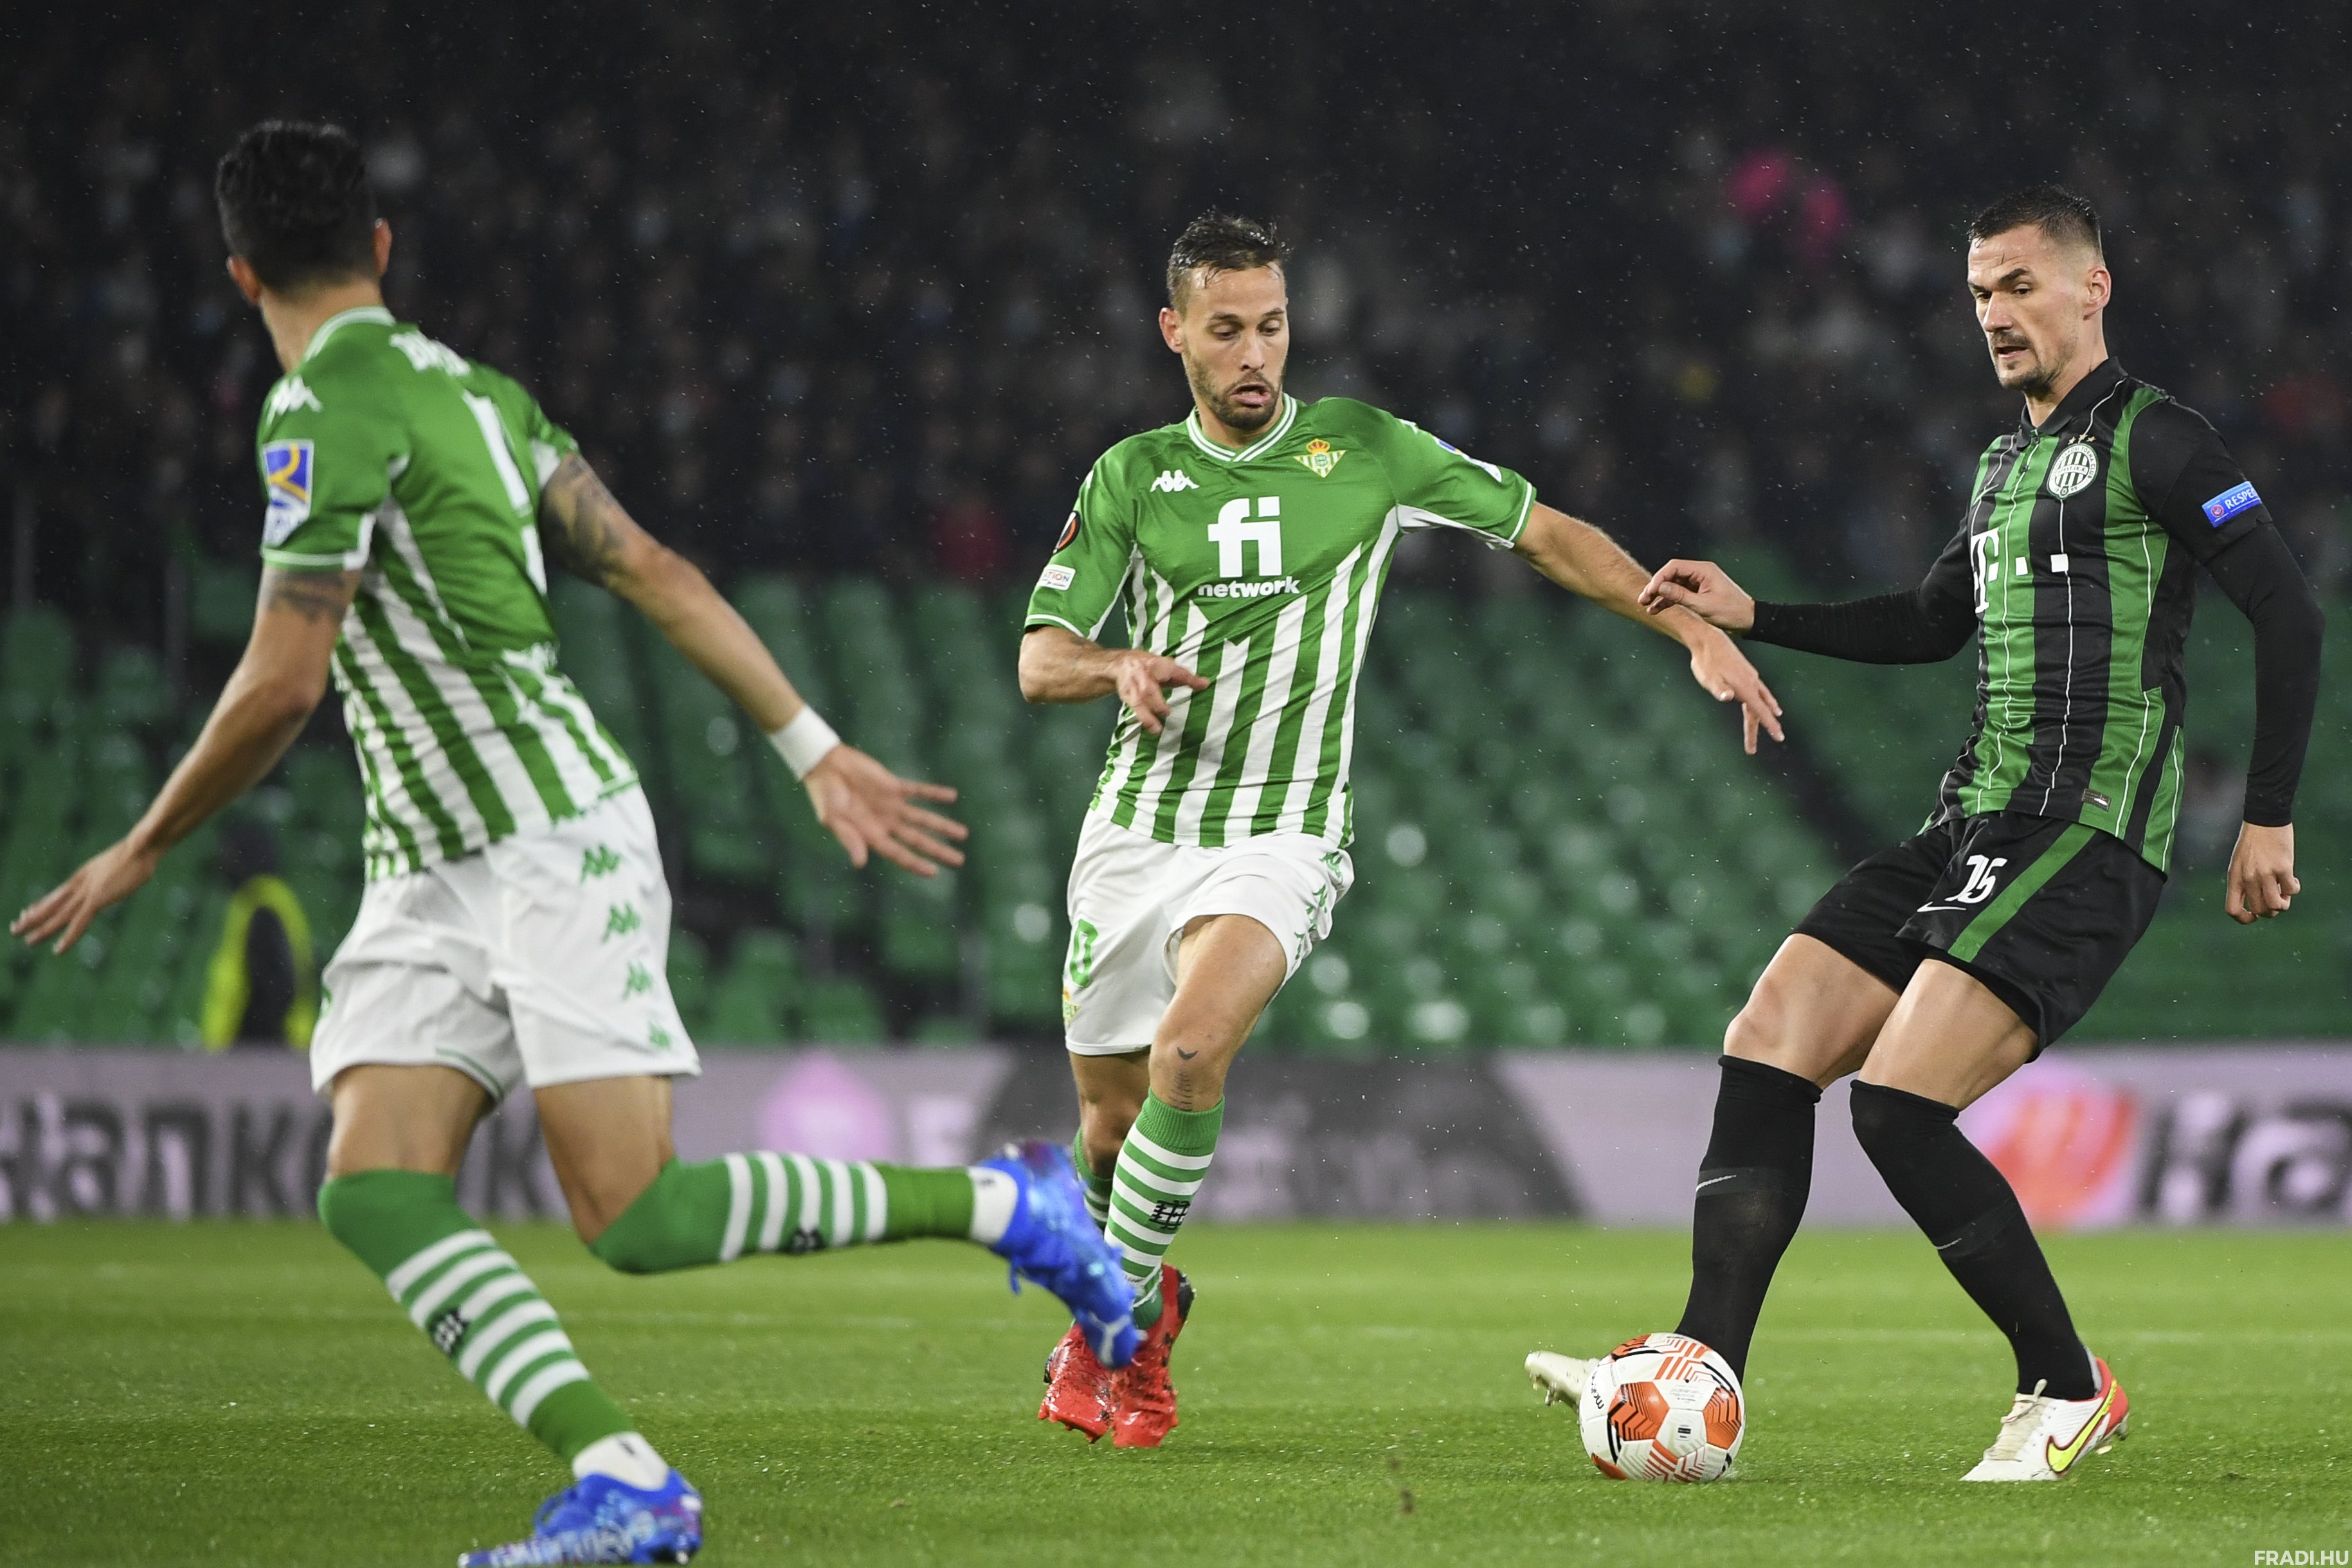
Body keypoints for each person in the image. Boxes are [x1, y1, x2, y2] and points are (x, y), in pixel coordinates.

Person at [10, 120, 1137, 1567]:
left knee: (636, 1215)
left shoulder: (315, 411)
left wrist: (146, 842)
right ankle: (625, 1480)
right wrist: (808, 744)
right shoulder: (483, 399)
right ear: (378, 247)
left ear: (240, 275)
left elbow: (286, 679)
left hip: (545, 833)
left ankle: (1004, 1201)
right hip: (430, 857)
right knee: (375, 1185)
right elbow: (648, 566)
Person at [1528, 185, 2324, 1481]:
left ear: (2091, 288)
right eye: (1977, 293)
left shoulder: (2159, 439)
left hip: (2082, 829)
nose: (1994, 313)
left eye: (2017, 285)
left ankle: (2066, 1386)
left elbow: (2287, 611)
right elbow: (1925, 622)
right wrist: (1756, 613)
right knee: (1769, 1038)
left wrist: (2266, 816)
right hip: (1969, 821)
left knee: (1899, 1105)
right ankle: (1696, 1366)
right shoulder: (2000, 466)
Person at [1018, 212, 1786, 1448]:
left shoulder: (1364, 449)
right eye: (1226, 330)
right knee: (1107, 1133)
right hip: (1135, 832)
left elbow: (1546, 534)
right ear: (1174, 334)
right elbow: (1039, 659)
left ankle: (1105, 1322)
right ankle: (1149, 1309)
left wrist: (1687, 627)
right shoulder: (1128, 477)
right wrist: (1116, 667)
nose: (1255, 352)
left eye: (1272, 325)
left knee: (1187, 1056)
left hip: (1283, 832)